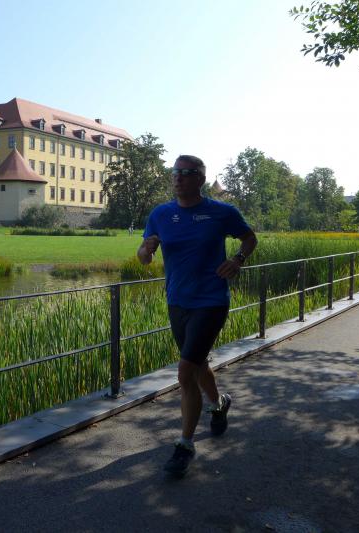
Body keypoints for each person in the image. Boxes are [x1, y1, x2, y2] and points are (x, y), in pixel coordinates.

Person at [137, 154, 257, 477]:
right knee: (198, 363)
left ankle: (184, 445)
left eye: (187, 172)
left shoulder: (222, 212)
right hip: (177, 302)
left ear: (201, 179)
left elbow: (249, 238)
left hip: (211, 301)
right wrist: (146, 250)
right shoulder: (161, 214)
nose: (178, 177)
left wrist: (237, 260)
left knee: (185, 372)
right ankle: (219, 405)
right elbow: (144, 258)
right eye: (175, 172)